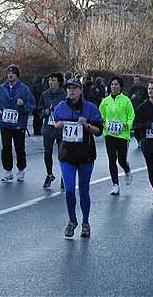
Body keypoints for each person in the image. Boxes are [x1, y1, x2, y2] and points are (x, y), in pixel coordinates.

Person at [53, 78, 103, 238]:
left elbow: (99, 131)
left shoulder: (90, 108)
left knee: (83, 189)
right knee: (68, 190)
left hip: (85, 155)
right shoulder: (60, 107)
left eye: (75, 88)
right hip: (67, 155)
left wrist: (87, 126)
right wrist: (57, 126)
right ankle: (72, 220)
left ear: (81, 91)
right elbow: (53, 125)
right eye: (69, 88)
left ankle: (86, 222)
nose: (71, 91)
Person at [0, 65, 36, 182]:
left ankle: (21, 169)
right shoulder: (2, 88)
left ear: (17, 75)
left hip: (19, 124)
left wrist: (23, 104)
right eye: (8, 73)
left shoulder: (24, 89)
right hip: (5, 123)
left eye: (12, 73)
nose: (10, 75)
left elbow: (32, 105)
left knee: (19, 147)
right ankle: (8, 171)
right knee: (6, 147)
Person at [99, 76, 135, 196]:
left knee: (121, 159)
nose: (114, 86)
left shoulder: (126, 100)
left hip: (123, 135)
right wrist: (103, 124)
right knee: (111, 158)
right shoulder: (105, 101)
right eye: (112, 84)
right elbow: (101, 115)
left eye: (116, 84)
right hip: (109, 134)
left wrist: (128, 125)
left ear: (120, 87)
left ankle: (127, 169)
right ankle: (115, 184)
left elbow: (131, 115)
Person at [38, 72, 67, 189]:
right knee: (47, 153)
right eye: (49, 80)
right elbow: (39, 109)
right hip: (48, 128)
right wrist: (44, 112)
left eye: (53, 80)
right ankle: (49, 175)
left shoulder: (64, 95)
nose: (51, 82)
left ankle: (64, 176)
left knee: (62, 154)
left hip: (61, 129)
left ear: (59, 82)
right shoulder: (45, 95)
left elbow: (70, 110)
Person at [128, 75, 148, 147]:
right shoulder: (131, 89)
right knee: (136, 126)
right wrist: (131, 98)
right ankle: (138, 140)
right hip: (134, 110)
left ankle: (143, 139)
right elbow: (128, 99)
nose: (136, 81)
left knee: (143, 125)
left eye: (137, 80)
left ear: (140, 81)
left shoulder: (144, 89)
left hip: (143, 110)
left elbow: (147, 98)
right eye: (135, 80)